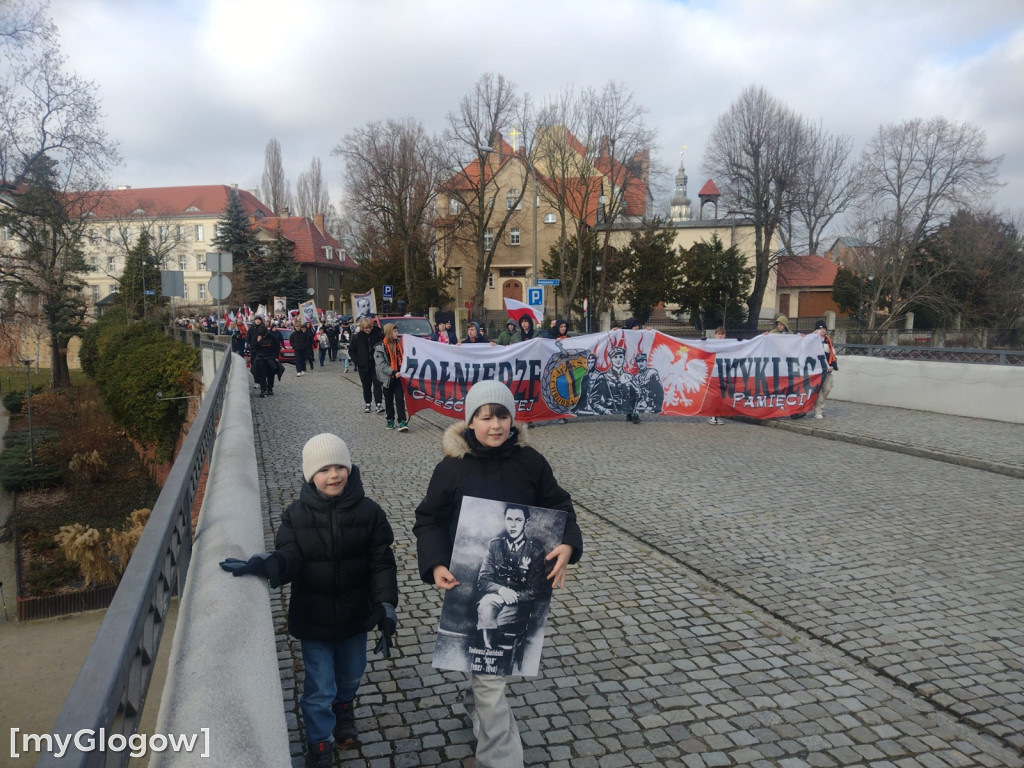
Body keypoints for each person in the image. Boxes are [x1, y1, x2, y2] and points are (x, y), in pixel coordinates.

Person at [413, 380, 583, 768]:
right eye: (485, 417)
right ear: (470, 422)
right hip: (468, 588)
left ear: (512, 419)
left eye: (502, 416)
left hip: (526, 594)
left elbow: (559, 504)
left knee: (487, 675)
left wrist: (569, 544)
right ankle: (501, 760)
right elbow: (428, 521)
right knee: (490, 682)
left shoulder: (531, 463)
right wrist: (436, 563)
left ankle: (481, 713)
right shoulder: (451, 469)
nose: (495, 425)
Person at [219, 434, 398, 767]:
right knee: (319, 688)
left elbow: (382, 563)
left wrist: (386, 605)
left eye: (340, 467)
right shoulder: (294, 516)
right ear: (309, 475)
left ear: (350, 469)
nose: (334, 475)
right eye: (325, 469)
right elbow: (290, 558)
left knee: (351, 675)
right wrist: (269, 563)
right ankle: (318, 745)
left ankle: (344, 710)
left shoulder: (371, 513)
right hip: (314, 620)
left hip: (357, 616)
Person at [475, 505, 545, 652]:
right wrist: (501, 590)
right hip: (496, 598)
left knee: (496, 622)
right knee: (485, 609)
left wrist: (513, 596)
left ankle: (498, 653)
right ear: (505, 520)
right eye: (509, 519)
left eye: (518, 520)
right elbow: (483, 581)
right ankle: (489, 653)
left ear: (526, 522)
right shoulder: (495, 545)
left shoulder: (535, 552)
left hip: (520, 604)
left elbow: (533, 591)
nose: (513, 524)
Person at [374, 323, 409, 432]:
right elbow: (381, 364)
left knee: (399, 399)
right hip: (387, 378)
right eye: (395, 331)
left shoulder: (399, 344)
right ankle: (390, 419)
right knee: (388, 400)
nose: (397, 333)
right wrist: (393, 372)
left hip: (398, 377)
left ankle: (402, 421)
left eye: (397, 331)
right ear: (389, 332)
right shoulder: (380, 347)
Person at [350, 318, 384, 414]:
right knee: (366, 385)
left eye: (369, 328)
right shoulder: (357, 337)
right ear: (362, 328)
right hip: (363, 366)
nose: (368, 330)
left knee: (377, 385)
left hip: (376, 365)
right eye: (366, 328)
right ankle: (368, 403)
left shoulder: (378, 334)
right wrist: (357, 361)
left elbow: (384, 345)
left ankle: (378, 404)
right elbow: (351, 350)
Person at [247, 316, 280, 398]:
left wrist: (276, 356)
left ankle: (270, 389)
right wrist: (257, 342)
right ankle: (263, 390)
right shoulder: (258, 336)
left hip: (270, 358)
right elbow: (253, 346)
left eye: (264, 335)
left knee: (271, 375)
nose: (263, 336)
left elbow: (277, 346)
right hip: (261, 358)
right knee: (262, 375)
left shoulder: (272, 336)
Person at [812, 319, 838, 419]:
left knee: (827, 388)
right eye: (820, 328)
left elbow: (832, 354)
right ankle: (818, 410)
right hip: (816, 371)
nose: (822, 330)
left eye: (823, 328)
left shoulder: (829, 341)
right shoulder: (812, 340)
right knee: (817, 390)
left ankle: (817, 405)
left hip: (827, 370)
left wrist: (832, 365)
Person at [708, 326, 728, 425]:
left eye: (722, 334)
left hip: (723, 374)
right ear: (715, 335)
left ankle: (716, 416)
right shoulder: (711, 344)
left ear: (725, 335)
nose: (720, 336)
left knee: (721, 396)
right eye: (718, 334)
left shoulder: (729, 345)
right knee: (715, 395)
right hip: (714, 374)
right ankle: (712, 415)